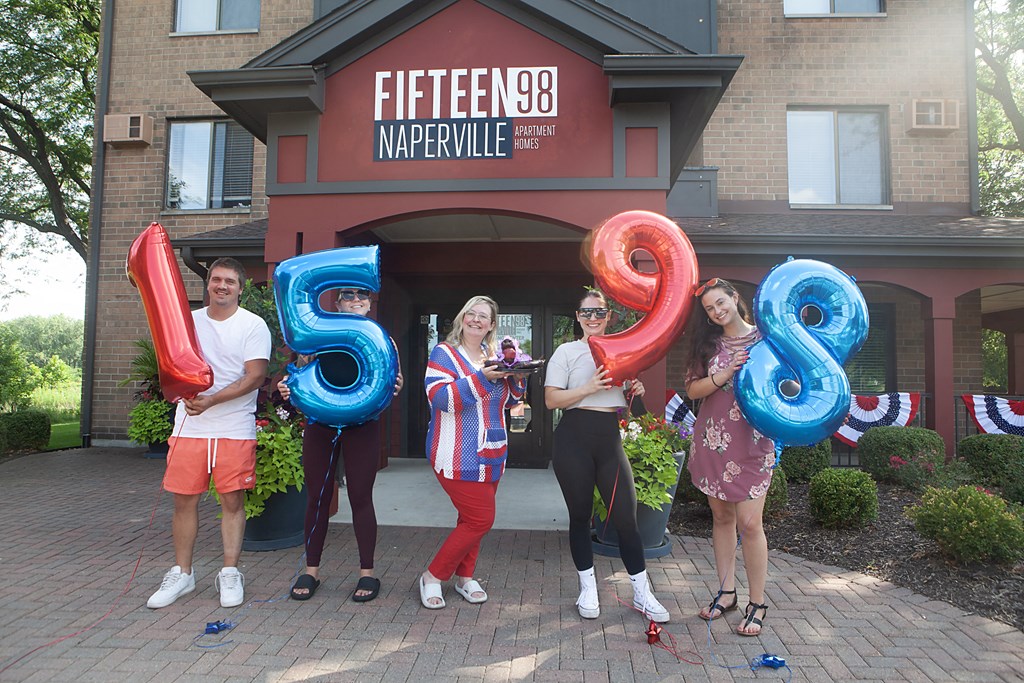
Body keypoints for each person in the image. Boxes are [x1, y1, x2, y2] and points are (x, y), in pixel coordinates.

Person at [147, 257, 272, 609]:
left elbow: (255, 376)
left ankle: (229, 572)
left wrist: (212, 400)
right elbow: (170, 364)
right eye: (216, 279)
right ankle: (182, 574)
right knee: (184, 501)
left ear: (241, 288)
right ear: (208, 283)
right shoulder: (188, 322)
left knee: (232, 501)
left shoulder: (253, 325)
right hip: (190, 427)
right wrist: (180, 391)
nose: (222, 286)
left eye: (229, 281)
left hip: (234, 427)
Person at [544, 289, 670, 623]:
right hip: (573, 440)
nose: (593, 318)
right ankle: (587, 589)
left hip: (609, 440)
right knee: (580, 516)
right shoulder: (566, 351)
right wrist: (589, 388)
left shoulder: (622, 349)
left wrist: (636, 392)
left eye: (599, 312)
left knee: (626, 520)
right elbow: (551, 400)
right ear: (578, 316)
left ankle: (642, 593)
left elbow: (637, 412)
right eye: (586, 312)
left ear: (608, 316)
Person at [278, 287, 403, 602]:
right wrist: (287, 389)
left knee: (361, 497)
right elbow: (296, 380)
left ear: (370, 304)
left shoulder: (383, 341)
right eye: (348, 295)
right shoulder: (317, 338)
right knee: (317, 497)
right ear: (336, 303)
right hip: (321, 425)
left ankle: (367, 573)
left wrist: (396, 385)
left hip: (362, 426)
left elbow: (393, 383)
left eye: (363, 295)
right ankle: (311, 570)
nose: (356, 299)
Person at [418, 295, 527, 609]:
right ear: (462, 318)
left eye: (484, 316)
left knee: (469, 520)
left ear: (491, 325)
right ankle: (433, 576)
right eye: (472, 313)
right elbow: (441, 399)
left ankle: (465, 577)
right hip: (455, 453)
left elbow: (510, 401)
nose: (476, 320)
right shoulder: (444, 353)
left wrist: (518, 377)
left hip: (492, 451)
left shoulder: (494, 356)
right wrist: (482, 378)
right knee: (480, 520)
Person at [684, 277, 776, 637]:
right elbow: (693, 389)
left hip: (754, 442)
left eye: (721, 302)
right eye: (710, 308)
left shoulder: (767, 338)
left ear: (735, 298)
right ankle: (726, 593)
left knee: (750, 524)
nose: (717, 311)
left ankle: (758, 602)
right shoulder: (708, 345)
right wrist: (723, 373)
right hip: (713, 440)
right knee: (721, 517)